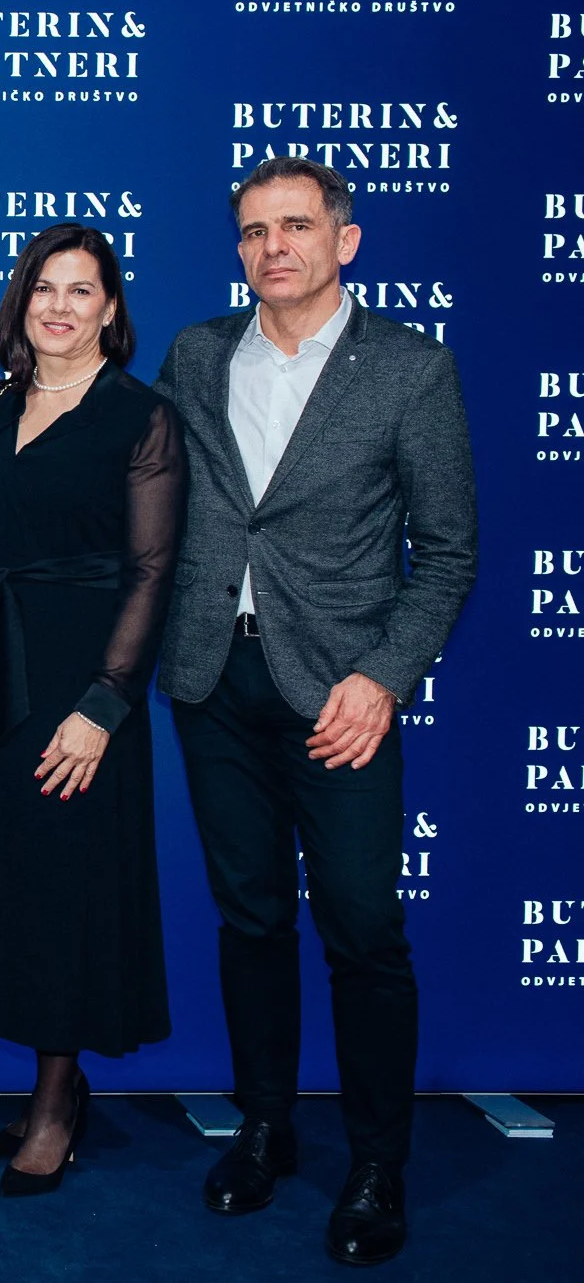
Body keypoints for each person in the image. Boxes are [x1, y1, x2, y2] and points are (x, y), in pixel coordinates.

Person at [155, 157, 476, 1267]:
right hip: (208, 680)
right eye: (251, 231)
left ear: (344, 240)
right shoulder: (195, 354)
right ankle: (263, 1126)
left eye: (294, 226)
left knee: (360, 928)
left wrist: (381, 677)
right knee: (248, 919)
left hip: (339, 695)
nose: (271, 246)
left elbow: (444, 555)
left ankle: (376, 1159)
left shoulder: (408, 369)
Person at [0, 224, 185, 1196]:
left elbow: (153, 569)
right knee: (15, 880)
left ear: (109, 310)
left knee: (67, 887)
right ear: (20, 301)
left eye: (81, 291)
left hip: (85, 678)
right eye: (44, 288)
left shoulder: (138, 416)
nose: (60, 306)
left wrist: (104, 704)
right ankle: (47, 1083)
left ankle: (53, 1100)